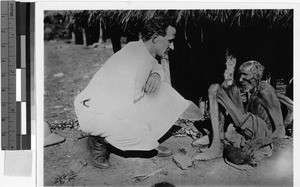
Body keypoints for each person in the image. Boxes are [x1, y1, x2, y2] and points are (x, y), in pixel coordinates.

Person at [74, 19, 193, 169]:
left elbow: (154, 66)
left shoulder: (141, 50)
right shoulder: (131, 57)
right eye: (170, 41)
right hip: (99, 114)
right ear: (155, 38)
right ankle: (98, 141)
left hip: (118, 107)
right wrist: (144, 135)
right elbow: (119, 105)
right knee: (139, 132)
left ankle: (141, 140)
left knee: (168, 95)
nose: (172, 46)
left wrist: (156, 74)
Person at [194, 60, 286, 162]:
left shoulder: (265, 92)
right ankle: (218, 137)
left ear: (256, 76)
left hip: (260, 130)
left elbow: (281, 130)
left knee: (215, 89)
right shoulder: (253, 89)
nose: (240, 79)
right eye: (240, 75)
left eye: (244, 75)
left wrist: (260, 142)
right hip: (249, 125)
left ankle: (216, 146)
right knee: (228, 84)